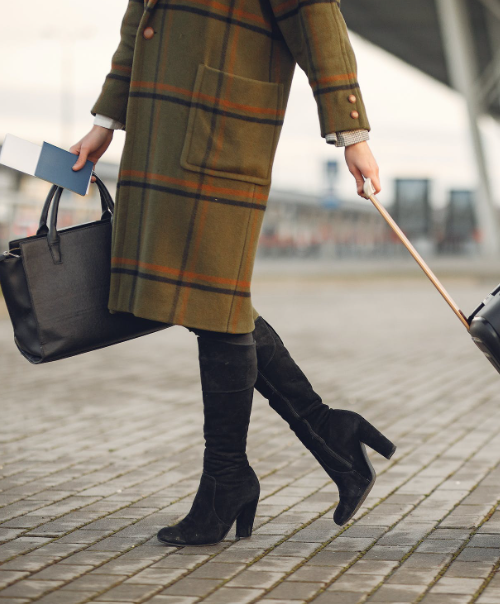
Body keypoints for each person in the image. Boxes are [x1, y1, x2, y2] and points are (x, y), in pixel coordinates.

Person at [69, 0, 395, 547]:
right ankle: (325, 436)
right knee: (213, 302)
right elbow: (139, 23)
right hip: (159, 131)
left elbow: (317, 19)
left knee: (216, 303)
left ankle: (230, 477)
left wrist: (352, 132)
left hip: (221, 124)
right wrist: (105, 122)